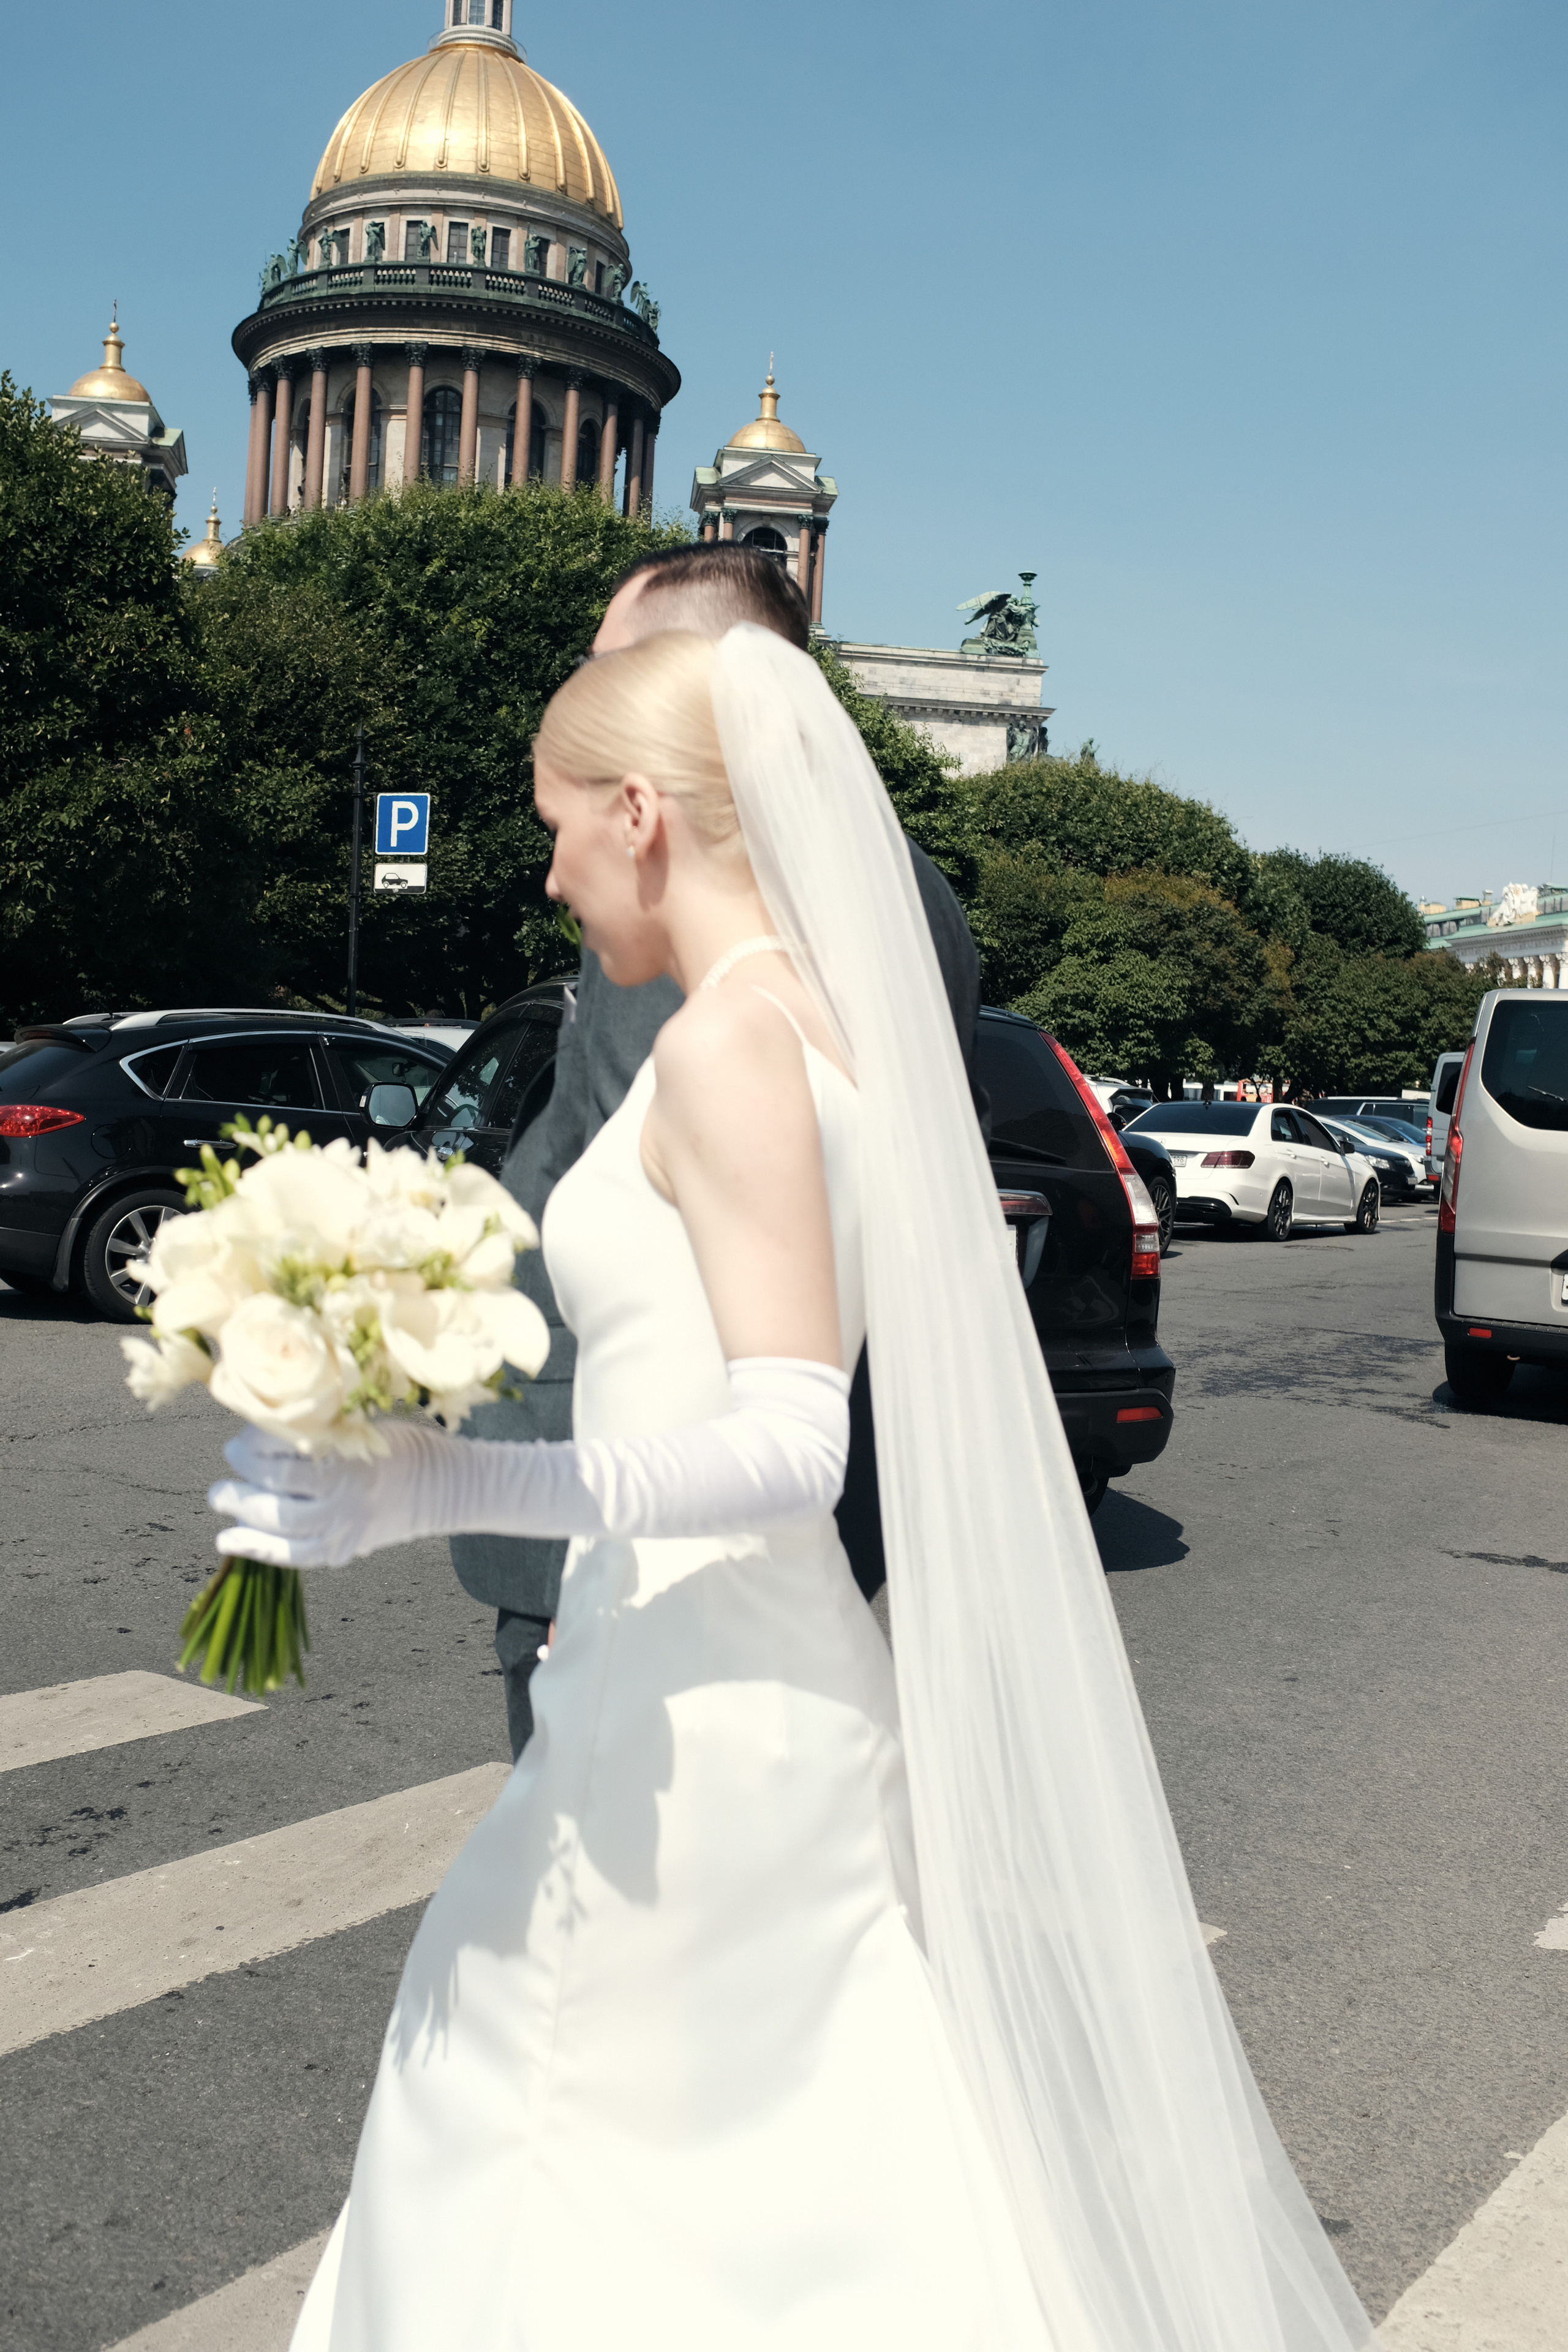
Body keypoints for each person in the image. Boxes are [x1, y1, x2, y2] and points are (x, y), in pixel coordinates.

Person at [214, 628, 1374, 2352]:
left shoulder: (725, 1049)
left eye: (556, 824)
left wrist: (435, 1482)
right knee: (785, 2194)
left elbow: (787, 1444)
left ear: (641, 815)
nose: (545, 869)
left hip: (699, 1716)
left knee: (569, 2177)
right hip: (724, 1689)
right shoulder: (818, 1024)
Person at [456, 542, 983, 1760]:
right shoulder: (902, 891)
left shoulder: (704, 914)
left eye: (608, 674)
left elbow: (665, 1254)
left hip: (639, 1531)